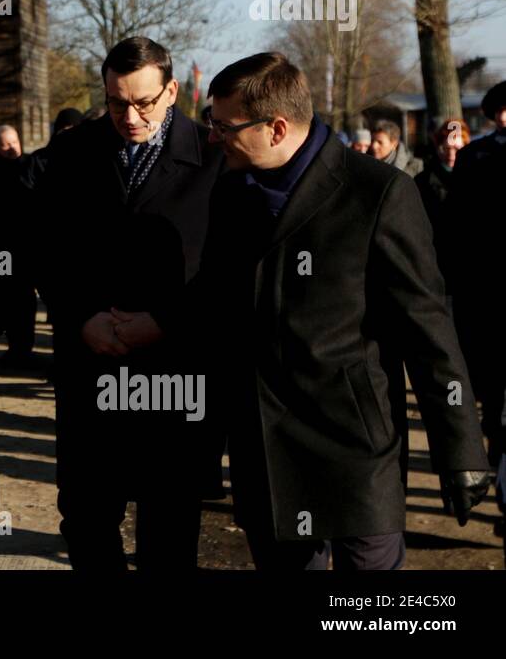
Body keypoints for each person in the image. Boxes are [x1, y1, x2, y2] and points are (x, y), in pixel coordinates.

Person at [154, 52, 490, 570]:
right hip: (266, 447)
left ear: (277, 127)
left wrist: (461, 448)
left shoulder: (377, 194)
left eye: (224, 126)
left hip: (357, 448)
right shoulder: (230, 193)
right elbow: (215, 307)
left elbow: (427, 330)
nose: (215, 137)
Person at [34, 36, 225, 571]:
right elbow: (46, 251)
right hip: (91, 364)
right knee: (86, 519)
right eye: (117, 102)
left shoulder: (215, 158)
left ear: (172, 91)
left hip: (175, 370)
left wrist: (165, 322)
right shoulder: (72, 154)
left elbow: (227, 269)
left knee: (169, 527)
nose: (130, 115)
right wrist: (80, 319)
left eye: (143, 101)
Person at [448, 81, 506, 497]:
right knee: (490, 394)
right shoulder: (473, 159)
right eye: (499, 111)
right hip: (483, 297)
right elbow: (455, 231)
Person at [0, 126, 37, 368]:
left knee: (25, 298)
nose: (12, 147)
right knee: (9, 295)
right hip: (3, 247)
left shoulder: (30, 166)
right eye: (6, 144)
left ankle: (24, 347)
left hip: (28, 243)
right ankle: (16, 347)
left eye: (15, 142)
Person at [413, 119, 468, 284]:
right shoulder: (422, 181)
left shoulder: (477, 177)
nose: (451, 155)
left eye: (457, 149)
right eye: (446, 148)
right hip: (436, 259)